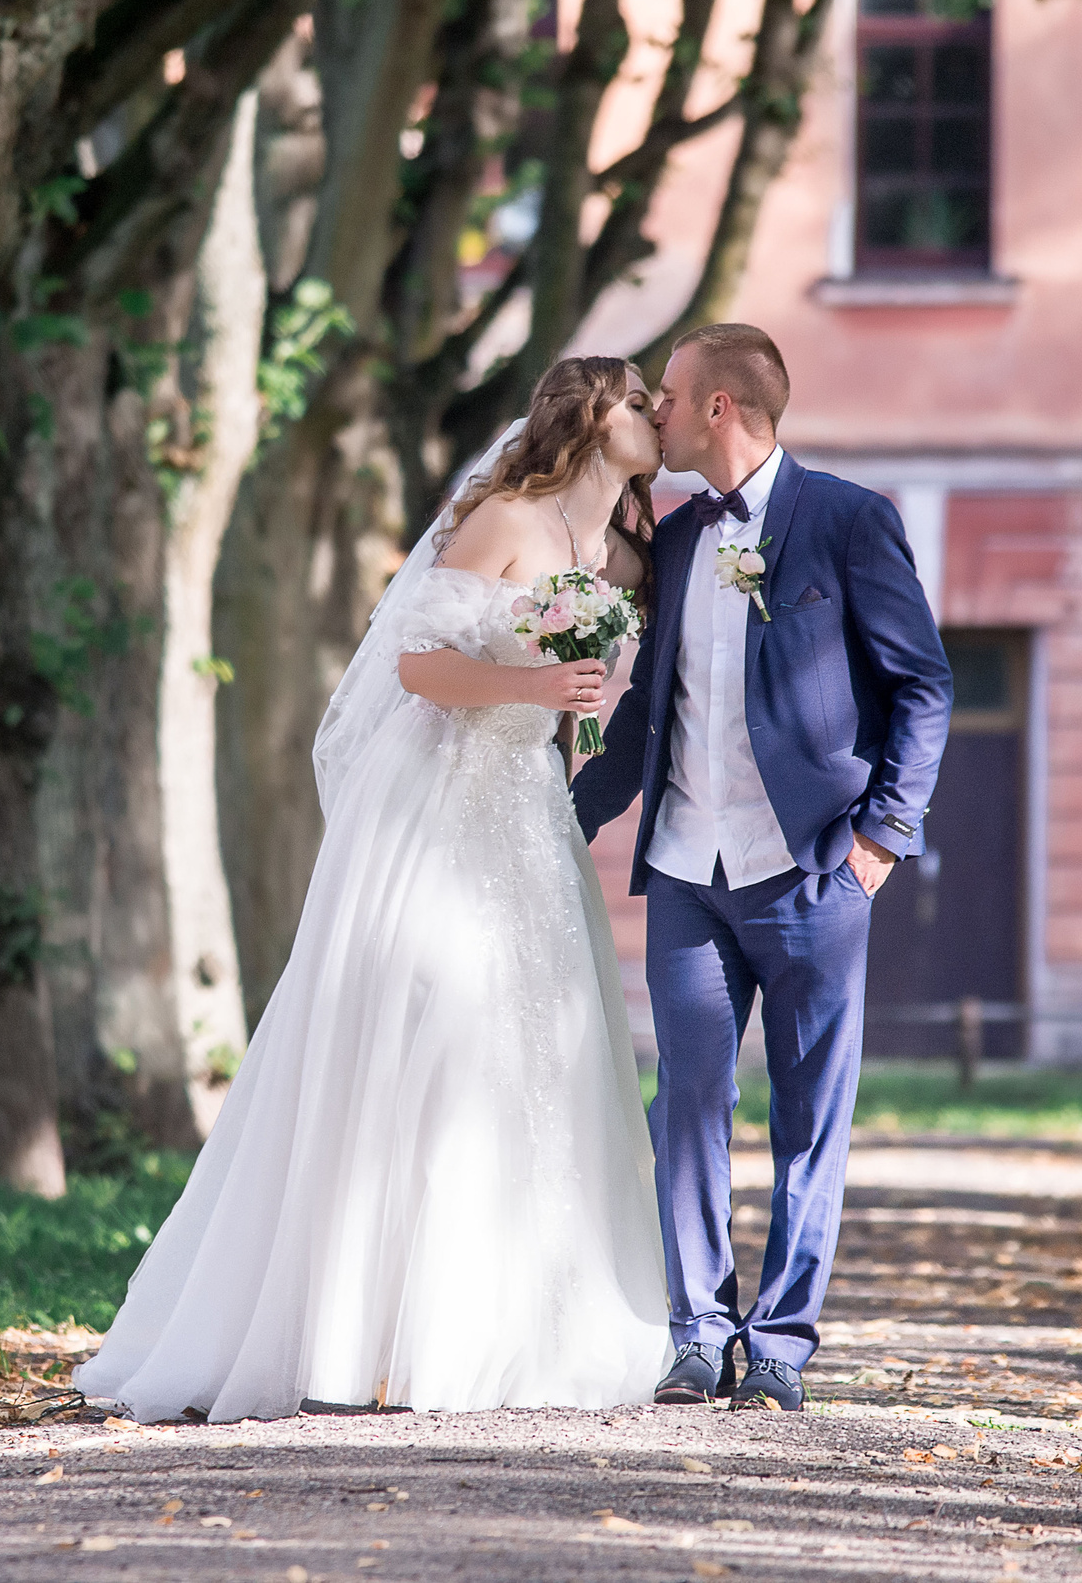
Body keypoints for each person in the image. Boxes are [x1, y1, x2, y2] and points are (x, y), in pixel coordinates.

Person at [75, 357, 675, 1422]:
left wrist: (565, 714)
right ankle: (365, 1333)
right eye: (638, 400)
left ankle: (508, 1324)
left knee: (531, 1049)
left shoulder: (624, 552)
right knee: (425, 1035)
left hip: (529, 809)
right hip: (440, 799)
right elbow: (416, 665)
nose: (655, 415)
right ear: (588, 418)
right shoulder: (505, 519)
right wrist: (535, 685)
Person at [572, 323, 951, 1413]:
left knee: (806, 1112)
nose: (657, 416)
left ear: (720, 410)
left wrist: (883, 836)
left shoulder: (847, 522)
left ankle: (779, 1342)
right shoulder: (680, 538)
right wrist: (566, 814)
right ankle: (696, 1331)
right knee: (684, 1099)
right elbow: (652, 704)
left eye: (671, 399)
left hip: (814, 872)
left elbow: (921, 685)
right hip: (689, 870)